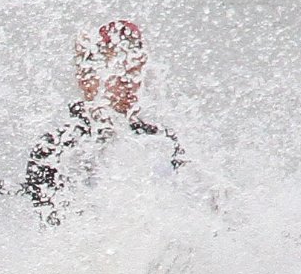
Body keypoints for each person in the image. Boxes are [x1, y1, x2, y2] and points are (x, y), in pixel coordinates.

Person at [23, 20, 185, 223]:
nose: (131, 85)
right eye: (119, 73)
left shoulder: (162, 141)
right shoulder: (54, 149)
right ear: (86, 78)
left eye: (135, 73)